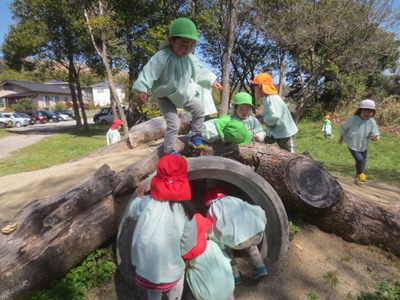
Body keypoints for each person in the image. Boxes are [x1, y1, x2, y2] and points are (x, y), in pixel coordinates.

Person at [133, 17, 222, 156]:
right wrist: (142, 89)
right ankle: (169, 151)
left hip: (183, 94)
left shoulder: (189, 59)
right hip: (165, 96)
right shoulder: (162, 56)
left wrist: (211, 81)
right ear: (171, 40)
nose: (187, 49)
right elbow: (149, 71)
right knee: (174, 124)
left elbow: (199, 71)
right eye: (184, 44)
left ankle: (196, 136)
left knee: (199, 109)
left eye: (192, 45)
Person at [128, 154, 197, 300]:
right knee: (177, 281)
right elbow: (189, 240)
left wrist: (139, 198)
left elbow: (132, 213)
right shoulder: (185, 209)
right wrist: (182, 253)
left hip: (146, 267)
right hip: (171, 269)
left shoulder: (147, 201)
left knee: (153, 292)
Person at [203, 186, 267, 285]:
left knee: (225, 248)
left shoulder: (212, 210)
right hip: (256, 234)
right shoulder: (233, 200)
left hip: (236, 241)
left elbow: (212, 230)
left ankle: (235, 275)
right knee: (251, 244)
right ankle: (260, 267)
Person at [184, 213, 235, 300]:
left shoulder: (189, 257)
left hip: (206, 296)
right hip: (229, 289)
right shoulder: (213, 245)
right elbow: (226, 260)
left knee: (188, 296)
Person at [251, 73, 298, 152]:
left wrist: (263, 119)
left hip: (284, 132)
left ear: (261, 87)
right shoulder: (266, 99)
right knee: (261, 143)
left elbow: (274, 116)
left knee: (289, 154)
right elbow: (266, 113)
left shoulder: (272, 98)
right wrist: (257, 118)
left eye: (255, 88)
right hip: (274, 131)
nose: (255, 91)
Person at [339, 99, 380, 185]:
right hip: (352, 144)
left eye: (369, 112)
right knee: (360, 159)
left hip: (363, 145)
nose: (367, 114)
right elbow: (343, 127)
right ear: (360, 111)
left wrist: (375, 137)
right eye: (364, 112)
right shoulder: (353, 119)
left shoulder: (372, 122)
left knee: (363, 161)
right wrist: (341, 137)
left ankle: (359, 176)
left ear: (373, 113)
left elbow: (375, 133)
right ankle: (360, 174)